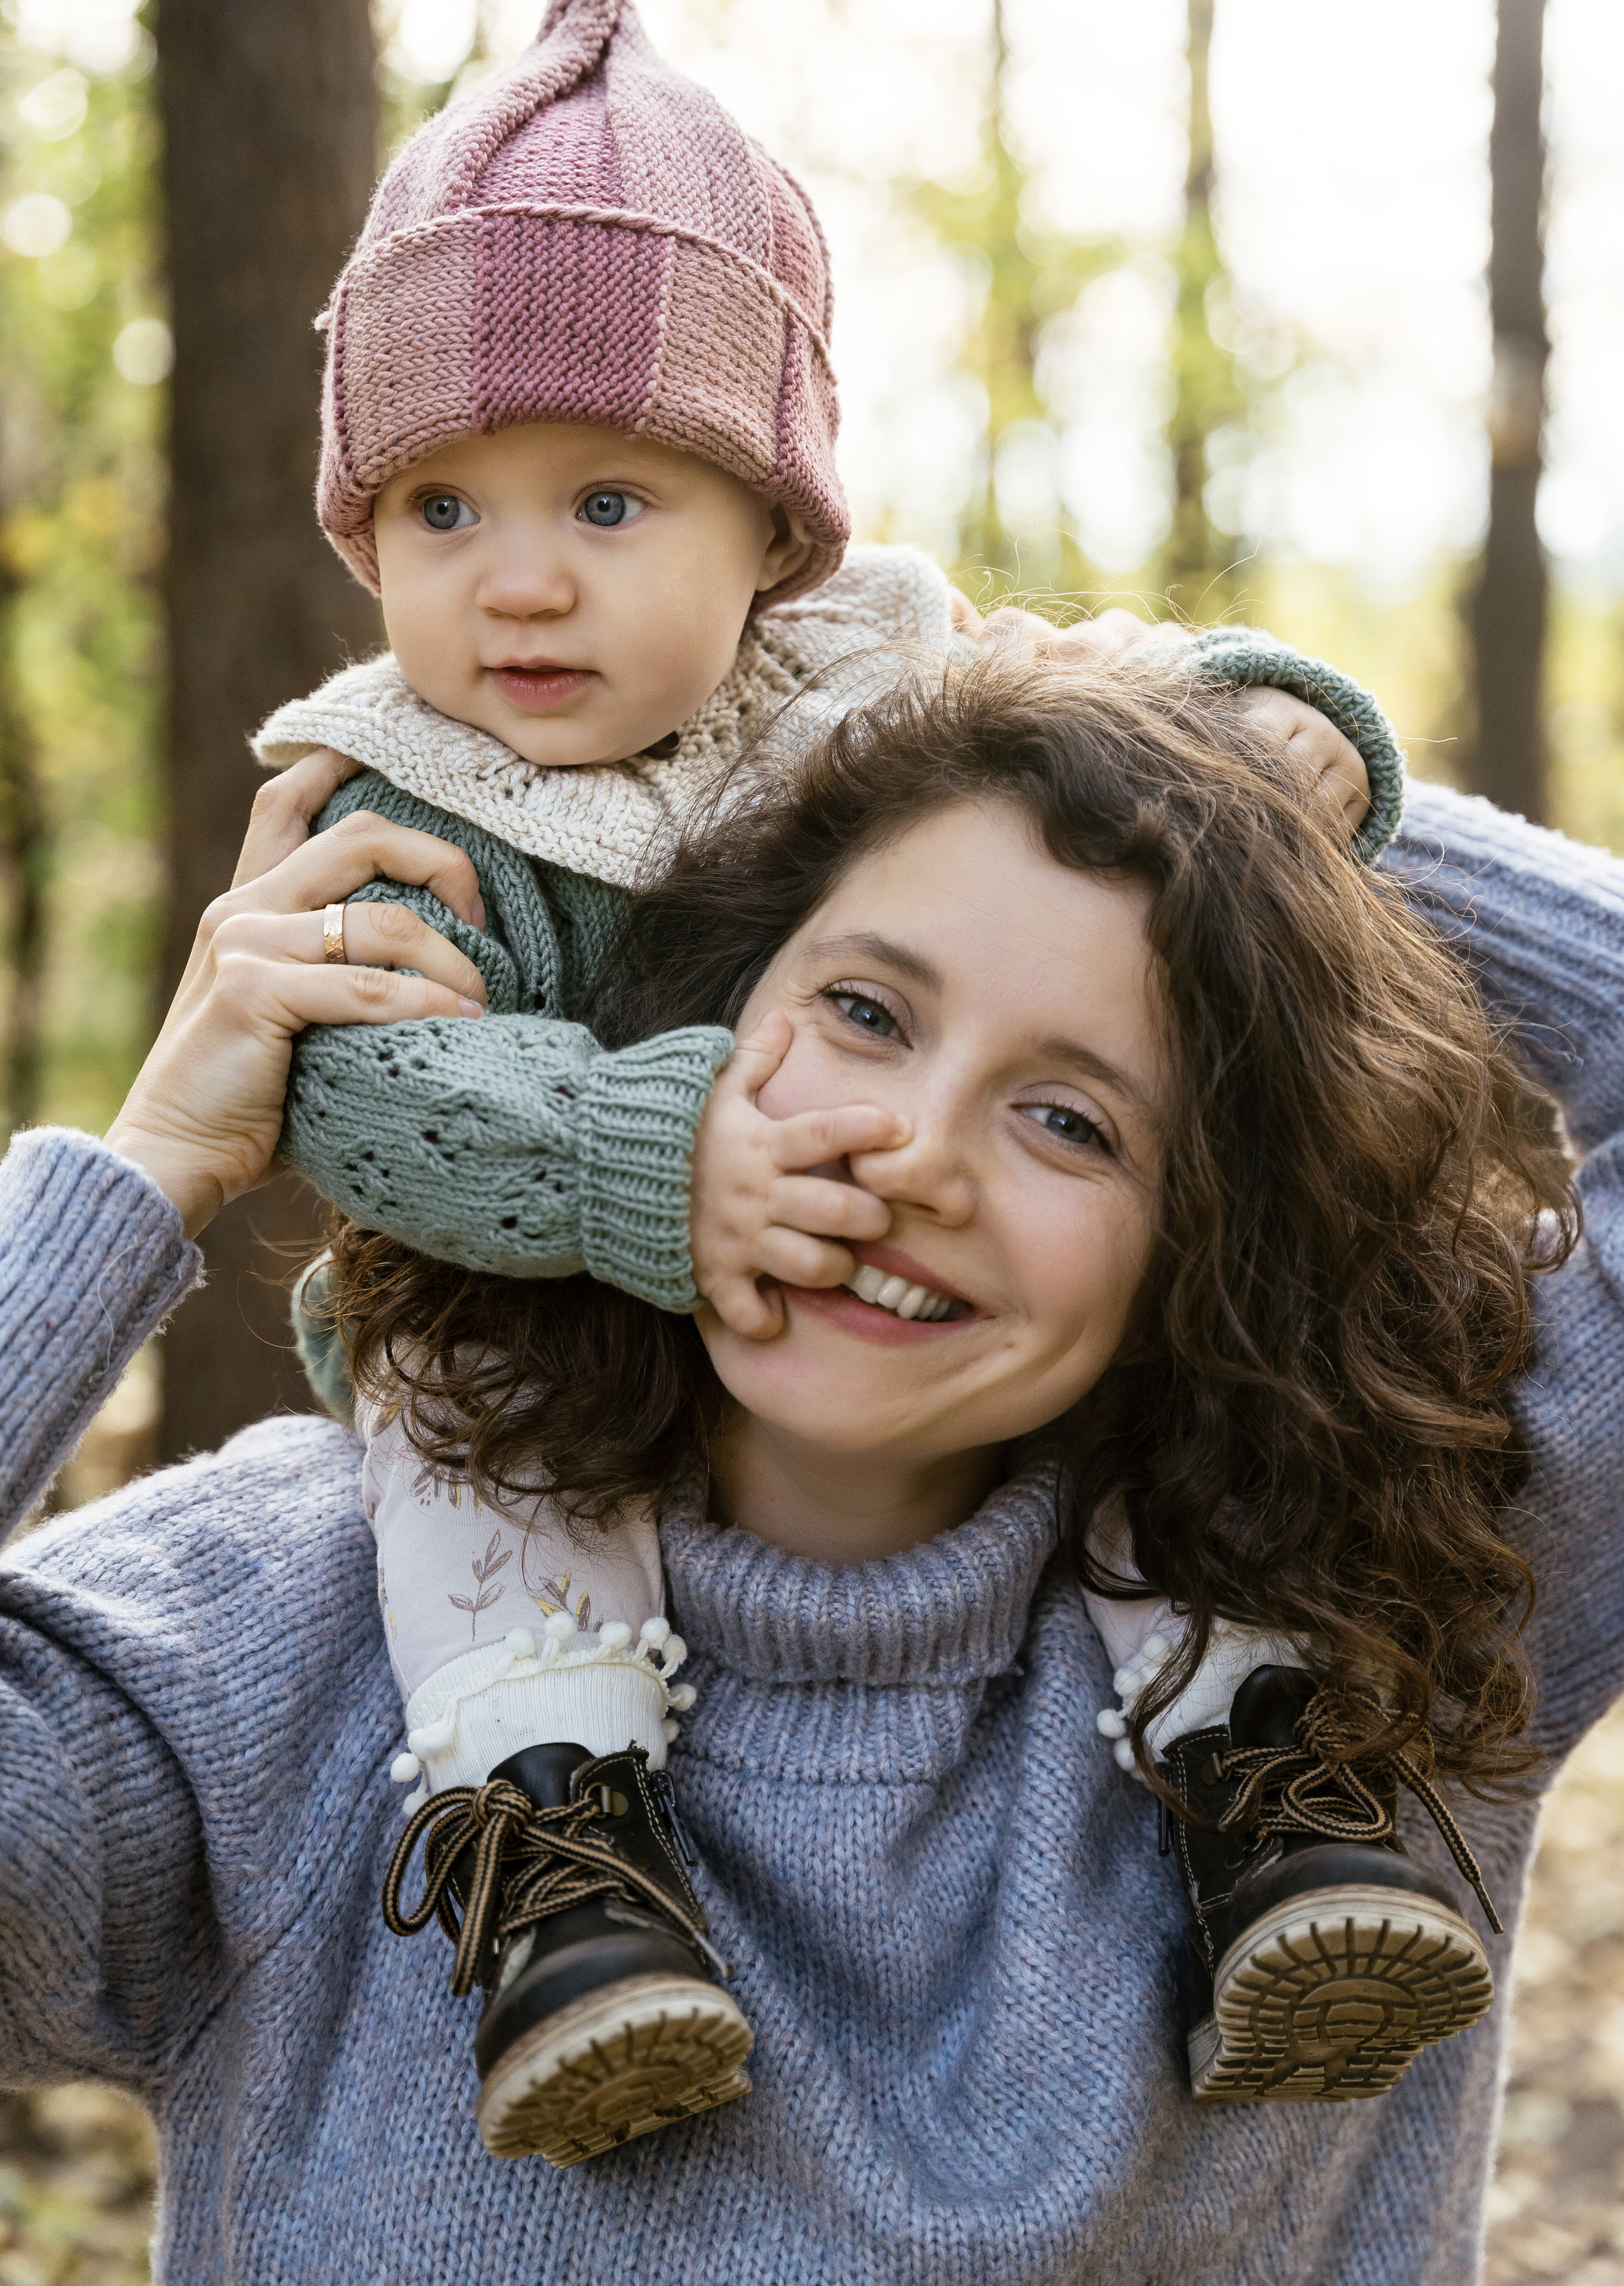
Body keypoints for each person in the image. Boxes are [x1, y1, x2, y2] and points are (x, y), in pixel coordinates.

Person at [243, 0, 1402, 2161]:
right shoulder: (399, 801)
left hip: (917, 1350)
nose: (524, 581)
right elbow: (372, 1098)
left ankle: (1263, 1762)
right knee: (463, 1420)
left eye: (606, 498)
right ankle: (556, 1852)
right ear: (364, 537)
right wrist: (649, 1152)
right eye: (441, 512)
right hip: (552, 1328)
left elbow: (1122, 711)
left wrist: (1302, 749)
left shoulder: (878, 675)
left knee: (1143, 1336)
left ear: (772, 527)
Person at [3, 656, 1620, 2283]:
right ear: (700, 1019)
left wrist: (1291, 793)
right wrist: (139, 1179)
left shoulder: (1397, 1585)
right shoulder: (286, 1625)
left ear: (1210, 1237)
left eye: (1070, 1122)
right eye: (862, 1013)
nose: (908, 1156)